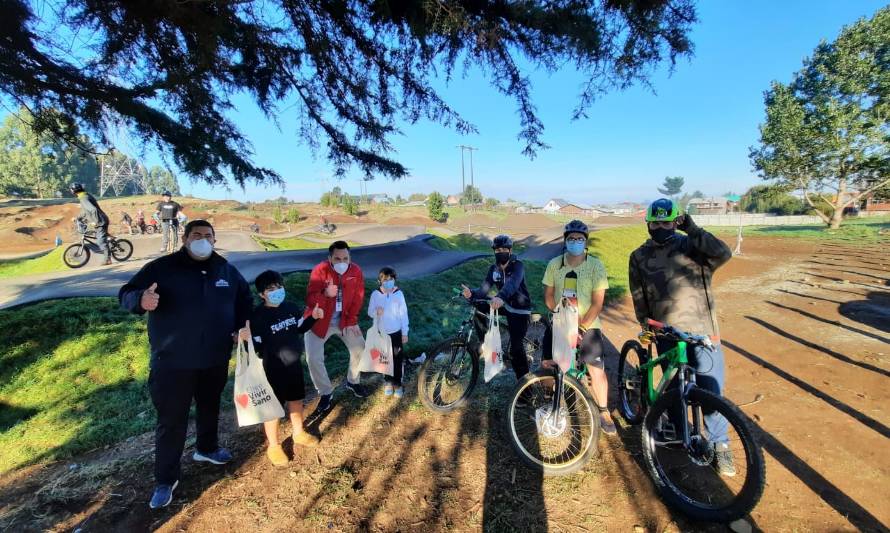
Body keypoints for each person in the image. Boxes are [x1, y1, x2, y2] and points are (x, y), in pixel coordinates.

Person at [118, 220, 252, 509]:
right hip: (173, 362)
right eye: (196, 235)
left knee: (209, 406)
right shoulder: (162, 268)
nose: (202, 240)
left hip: (214, 357)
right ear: (185, 238)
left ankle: (206, 448)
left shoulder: (226, 269)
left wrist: (241, 326)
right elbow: (126, 293)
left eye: (207, 236)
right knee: (171, 420)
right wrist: (140, 300)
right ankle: (165, 479)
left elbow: (244, 299)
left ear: (215, 239)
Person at [629, 198, 734, 475]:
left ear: (676, 221)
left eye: (667, 222)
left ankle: (720, 445)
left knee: (711, 391)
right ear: (648, 223)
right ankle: (678, 431)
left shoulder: (692, 246)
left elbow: (723, 253)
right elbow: (639, 295)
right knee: (674, 388)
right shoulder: (638, 256)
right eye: (656, 222)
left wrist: (692, 227)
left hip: (702, 331)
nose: (661, 227)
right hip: (666, 333)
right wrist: (646, 326)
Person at [239, 270, 323, 466]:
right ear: (262, 294)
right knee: (273, 409)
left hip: (294, 365)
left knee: (296, 401)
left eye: (279, 287)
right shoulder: (257, 317)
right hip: (273, 369)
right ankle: (274, 446)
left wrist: (315, 317)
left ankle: (299, 432)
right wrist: (245, 339)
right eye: (271, 289)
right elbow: (256, 347)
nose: (277, 291)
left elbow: (300, 328)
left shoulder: (292, 308)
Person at [541, 220, 614, 435]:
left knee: (595, 369)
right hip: (560, 321)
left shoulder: (596, 266)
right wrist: (562, 316)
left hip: (588, 324)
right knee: (547, 362)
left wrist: (581, 325)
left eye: (579, 239)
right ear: (565, 241)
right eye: (571, 239)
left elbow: (598, 302)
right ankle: (548, 398)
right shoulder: (555, 264)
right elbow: (547, 295)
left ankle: (604, 410)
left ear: (585, 242)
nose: (575, 242)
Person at [303, 241, 368, 413]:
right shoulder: (320, 270)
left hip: (344, 320)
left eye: (345, 258)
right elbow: (310, 299)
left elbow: (358, 297)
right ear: (329, 258)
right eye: (337, 259)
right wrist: (324, 294)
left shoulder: (356, 271)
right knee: (313, 358)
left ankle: (353, 382)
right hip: (319, 320)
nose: (342, 262)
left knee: (360, 348)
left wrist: (351, 320)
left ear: (350, 257)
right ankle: (325, 392)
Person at [461, 234, 533, 380]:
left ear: (510, 251)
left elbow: (512, 284)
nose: (501, 252)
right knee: (479, 304)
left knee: (516, 350)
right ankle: (486, 343)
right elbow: (484, 289)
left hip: (520, 309)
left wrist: (500, 296)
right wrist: (471, 293)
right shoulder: (493, 269)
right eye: (497, 250)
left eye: (504, 249)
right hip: (504, 304)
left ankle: (525, 387)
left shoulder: (518, 266)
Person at [368, 267, 410, 397]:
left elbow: (403, 314)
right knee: (384, 359)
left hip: (396, 334)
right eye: (385, 280)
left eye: (391, 279)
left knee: (397, 358)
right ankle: (388, 381)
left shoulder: (398, 294)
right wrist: (376, 312)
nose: (388, 282)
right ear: (379, 281)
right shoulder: (375, 294)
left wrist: (405, 332)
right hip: (382, 335)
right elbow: (370, 312)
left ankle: (397, 383)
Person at [69, 182, 111, 265]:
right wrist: (77, 218)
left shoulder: (83, 198)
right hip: (101, 219)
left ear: (73, 190)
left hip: (100, 221)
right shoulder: (84, 196)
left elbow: (93, 210)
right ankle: (108, 239)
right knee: (98, 236)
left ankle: (107, 259)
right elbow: (85, 211)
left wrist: (95, 221)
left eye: (71, 190)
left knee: (100, 241)